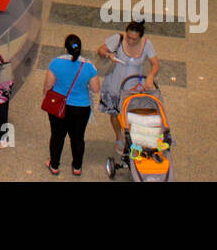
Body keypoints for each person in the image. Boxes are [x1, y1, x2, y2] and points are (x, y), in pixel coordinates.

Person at [97, 21, 160, 153]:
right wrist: (108, 54)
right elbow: (101, 50)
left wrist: (150, 76)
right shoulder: (118, 39)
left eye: (134, 39)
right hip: (115, 84)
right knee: (114, 113)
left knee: (133, 114)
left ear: (140, 37)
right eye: (128, 37)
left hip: (134, 86)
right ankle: (118, 136)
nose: (130, 41)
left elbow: (155, 64)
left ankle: (132, 137)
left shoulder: (147, 44)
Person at [43, 33, 100, 176]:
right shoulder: (89, 66)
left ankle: (54, 165)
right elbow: (95, 89)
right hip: (81, 109)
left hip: (58, 107)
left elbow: (48, 86)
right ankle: (77, 167)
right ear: (80, 49)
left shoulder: (55, 62)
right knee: (78, 138)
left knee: (57, 136)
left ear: (65, 48)